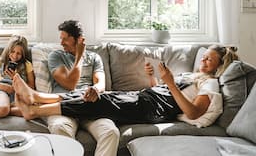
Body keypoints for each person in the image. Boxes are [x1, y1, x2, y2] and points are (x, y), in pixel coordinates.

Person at [13, 45, 239, 128]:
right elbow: (168, 92)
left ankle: (35, 108)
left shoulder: (210, 84)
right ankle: (37, 98)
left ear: (220, 65)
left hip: (151, 109)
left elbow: (193, 111)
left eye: (209, 59)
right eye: (204, 57)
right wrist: (154, 80)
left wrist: (169, 82)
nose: (203, 61)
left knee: (96, 101)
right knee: (91, 93)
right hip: (147, 97)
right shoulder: (194, 75)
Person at [31, 20, 120, 156]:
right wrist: (79, 57)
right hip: (64, 106)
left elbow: (100, 83)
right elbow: (69, 84)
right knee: (59, 127)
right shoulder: (56, 56)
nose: (61, 43)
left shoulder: (94, 57)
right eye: (61, 38)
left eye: (65, 39)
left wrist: (95, 89)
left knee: (111, 132)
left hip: (89, 105)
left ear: (78, 39)